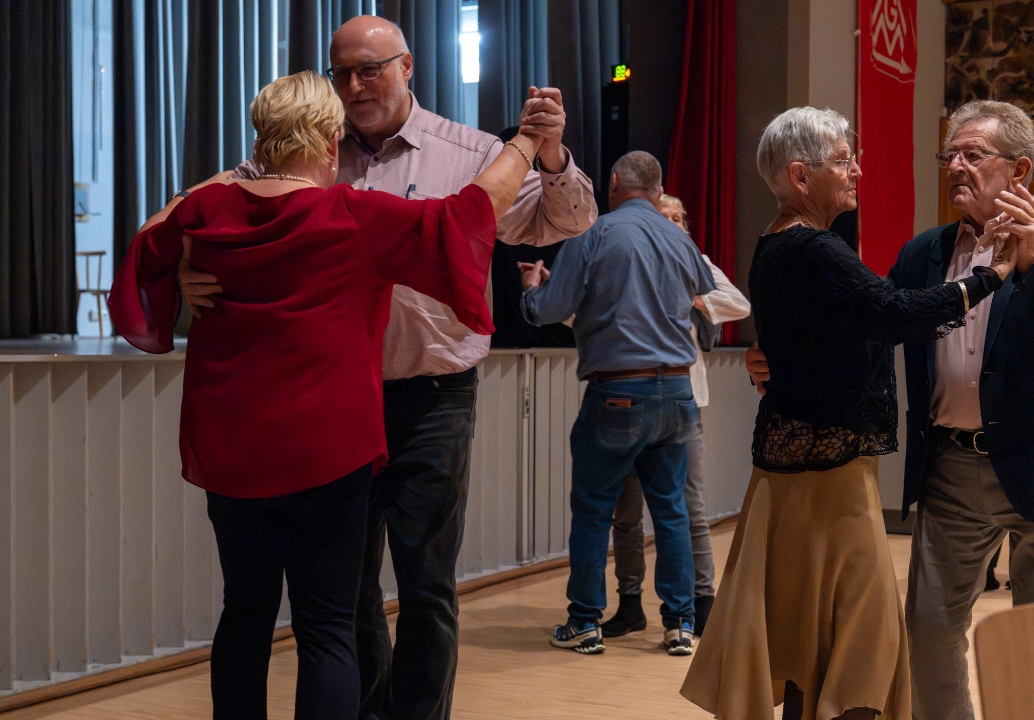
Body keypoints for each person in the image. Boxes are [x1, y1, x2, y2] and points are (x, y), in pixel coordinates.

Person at [175, 17, 596, 720]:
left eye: (370, 69)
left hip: (432, 396)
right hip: (338, 408)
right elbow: (210, 211)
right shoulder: (306, 150)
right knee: (350, 596)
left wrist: (547, 156)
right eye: (341, 72)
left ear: (407, 68)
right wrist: (192, 264)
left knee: (426, 583)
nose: (354, 85)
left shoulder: (467, 151)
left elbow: (567, 223)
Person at [108, 72, 540, 719]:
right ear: (331, 137)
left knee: (244, 614)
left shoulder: (208, 210)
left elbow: (150, 238)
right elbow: (471, 211)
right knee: (328, 626)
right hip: (325, 453)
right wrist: (528, 143)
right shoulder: (353, 215)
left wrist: (192, 256)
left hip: (230, 453)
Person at [684, 106, 1014, 720]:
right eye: (844, 160)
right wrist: (989, 276)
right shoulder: (812, 247)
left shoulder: (783, 243)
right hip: (828, 482)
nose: (858, 170)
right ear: (802, 176)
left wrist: (773, 359)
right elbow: (893, 313)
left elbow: (835, 330)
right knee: (860, 647)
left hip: (801, 476)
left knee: (812, 641)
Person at [889, 100, 1034, 720]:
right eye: (950, 155)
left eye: (973, 154)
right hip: (951, 473)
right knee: (931, 637)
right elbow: (877, 329)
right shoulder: (922, 254)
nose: (956, 166)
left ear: (1019, 168)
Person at [519, 151, 716, 656]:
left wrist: (532, 289)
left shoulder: (594, 234)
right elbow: (704, 293)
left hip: (618, 392)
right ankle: (681, 624)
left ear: (612, 183)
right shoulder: (680, 238)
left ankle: (584, 622)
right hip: (676, 391)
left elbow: (549, 311)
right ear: (658, 188)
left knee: (593, 512)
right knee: (670, 512)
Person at [602, 193, 750, 640]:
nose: (670, 223)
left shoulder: (695, 261)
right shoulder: (629, 262)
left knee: (690, 509)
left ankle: (701, 603)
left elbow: (738, 303)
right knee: (626, 515)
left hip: (682, 403)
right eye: (661, 216)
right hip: (624, 400)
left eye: (677, 217)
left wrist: (696, 300)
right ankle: (630, 604)